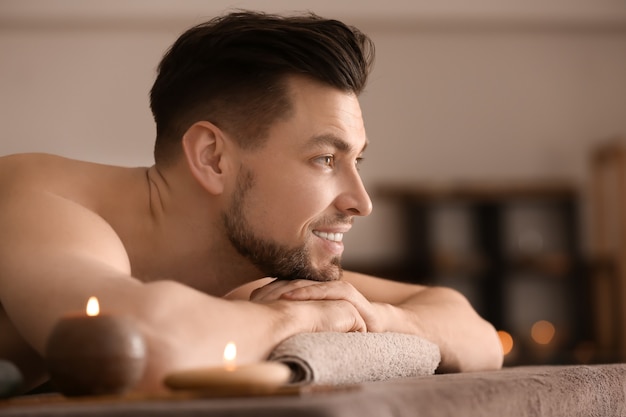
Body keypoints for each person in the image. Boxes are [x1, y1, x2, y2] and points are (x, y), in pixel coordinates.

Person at [0, 11, 503, 393]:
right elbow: (134, 345)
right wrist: (300, 320)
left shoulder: (257, 269)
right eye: (326, 159)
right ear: (213, 158)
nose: (361, 202)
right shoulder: (36, 198)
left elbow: (475, 334)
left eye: (358, 162)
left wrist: (382, 318)